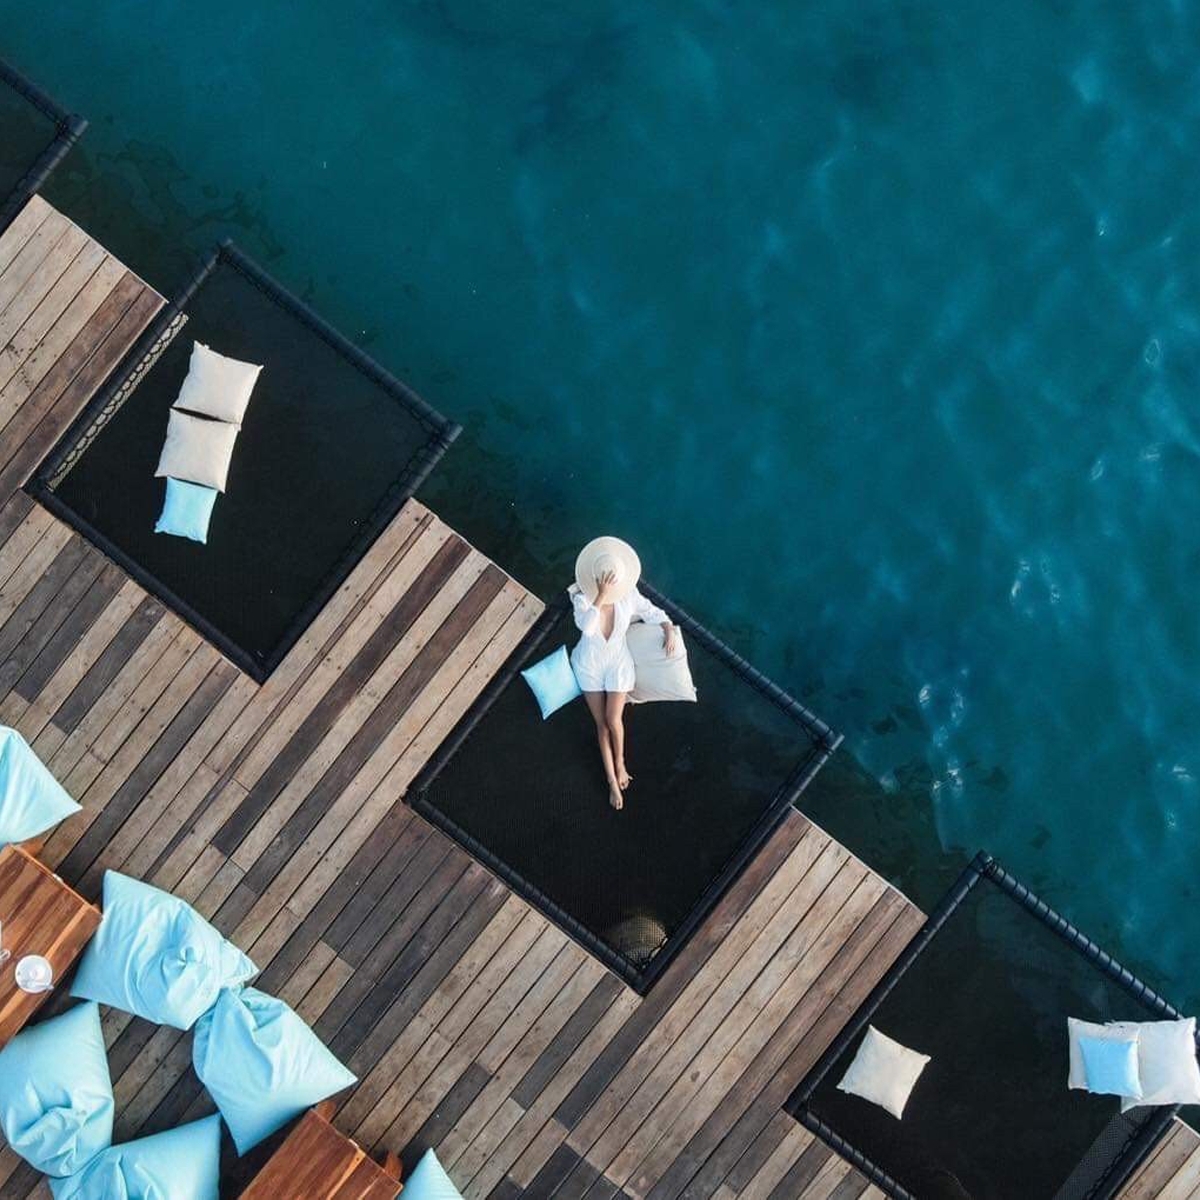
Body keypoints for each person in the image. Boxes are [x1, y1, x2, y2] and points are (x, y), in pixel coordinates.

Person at [569, 536, 677, 810]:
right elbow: (587, 628)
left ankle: (620, 762)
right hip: (589, 664)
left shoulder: (628, 596)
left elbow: (653, 612)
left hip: (617, 662)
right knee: (601, 724)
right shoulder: (581, 599)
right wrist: (600, 595)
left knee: (613, 718)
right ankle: (611, 782)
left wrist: (667, 628)